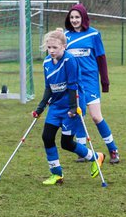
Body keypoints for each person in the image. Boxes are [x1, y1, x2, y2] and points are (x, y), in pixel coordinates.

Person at [32, 30, 104, 185]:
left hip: (73, 105)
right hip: (56, 106)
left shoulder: (69, 60)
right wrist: (40, 108)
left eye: (55, 48)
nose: (51, 51)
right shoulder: (46, 63)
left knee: (66, 143)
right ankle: (57, 174)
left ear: (63, 46)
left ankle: (95, 156)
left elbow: (73, 85)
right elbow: (48, 87)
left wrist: (73, 108)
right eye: (49, 47)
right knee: (47, 137)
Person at [63, 4, 121, 164]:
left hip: (90, 82)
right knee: (78, 115)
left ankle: (113, 150)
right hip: (74, 83)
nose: (74, 20)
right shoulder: (65, 36)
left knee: (96, 116)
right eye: (72, 17)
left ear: (83, 18)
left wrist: (105, 81)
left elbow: (101, 59)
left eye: (77, 17)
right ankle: (83, 151)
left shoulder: (94, 34)